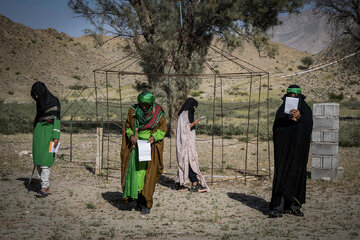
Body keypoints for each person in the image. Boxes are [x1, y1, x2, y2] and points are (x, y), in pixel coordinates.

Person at [269, 84, 313, 218]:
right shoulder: (282, 110)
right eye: (290, 95)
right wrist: (288, 119)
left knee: (297, 174)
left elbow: (309, 124)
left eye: (296, 96)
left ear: (300, 96)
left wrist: (299, 118)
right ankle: (278, 207)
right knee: (282, 174)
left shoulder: (305, 109)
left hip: (298, 151)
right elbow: (277, 128)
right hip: (284, 151)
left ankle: (294, 206)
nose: (293, 97)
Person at [120, 90, 167, 214]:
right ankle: (137, 200)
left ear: (151, 104)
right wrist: (131, 137)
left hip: (150, 149)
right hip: (136, 148)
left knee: (148, 175)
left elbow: (162, 129)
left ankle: (146, 203)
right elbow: (128, 127)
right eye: (142, 105)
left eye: (146, 105)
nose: (144, 107)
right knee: (136, 174)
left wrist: (154, 137)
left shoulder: (158, 113)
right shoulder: (133, 111)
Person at [31, 81, 61, 198]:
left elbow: (57, 121)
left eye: (37, 94)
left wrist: (56, 137)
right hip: (38, 135)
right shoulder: (39, 103)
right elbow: (38, 118)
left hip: (49, 135)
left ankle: (43, 187)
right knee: (38, 162)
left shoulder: (54, 102)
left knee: (45, 162)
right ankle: (46, 187)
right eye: (35, 95)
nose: (36, 97)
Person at [175, 98, 209, 193]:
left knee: (186, 161)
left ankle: (180, 183)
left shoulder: (186, 114)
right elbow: (184, 129)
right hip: (185, 144)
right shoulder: (184, 115)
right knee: (189, 161)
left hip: (187, 143)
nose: (195, 109)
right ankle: (195, 183)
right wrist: (193, 124)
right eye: (194, 107)